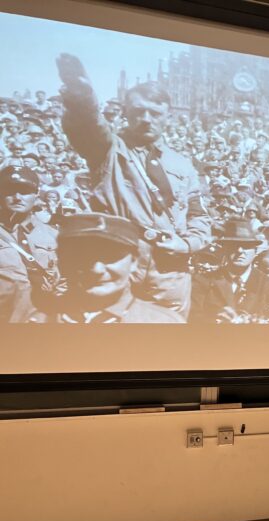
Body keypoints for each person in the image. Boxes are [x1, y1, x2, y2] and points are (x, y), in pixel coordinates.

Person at [56, 53, 212, 318]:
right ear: (126, 113)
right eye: (139, 112)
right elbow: (87, 126)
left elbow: (198, 215)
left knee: (166, 341)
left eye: (155, 113)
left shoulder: (183, 164)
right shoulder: (108, 149)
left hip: (169, 271)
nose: (147, 119)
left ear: (168, 117)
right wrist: (80, 95)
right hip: (118, 264)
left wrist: (186, 244)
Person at [30, 213, 183, 323]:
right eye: (82, 257)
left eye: (110, 256)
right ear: (63, 261)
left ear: (134, 262)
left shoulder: (163, 324)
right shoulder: (37, 320)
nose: (96, 270)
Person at [190, 218, 269, 323]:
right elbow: (193, 318)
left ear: (255, 250)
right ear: (224, 249)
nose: (240, 251)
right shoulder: (203, 281)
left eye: (246, 246)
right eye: (234, 246)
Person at [0, 165, 59, 320]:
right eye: (10, 191)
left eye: (25, 191)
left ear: (37, 195)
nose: (18, 197)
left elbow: (64, 281)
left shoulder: (53, 235)